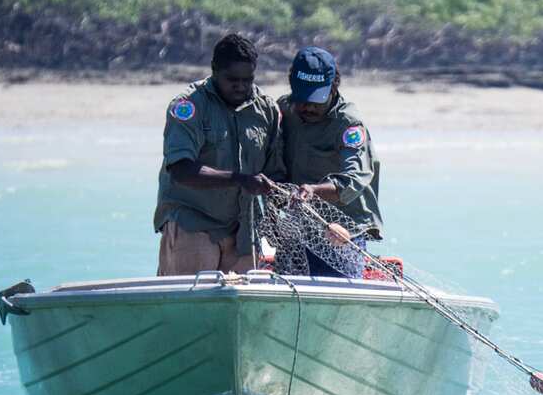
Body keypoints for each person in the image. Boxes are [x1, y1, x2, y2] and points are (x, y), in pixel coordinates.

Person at [153, 33, 282, 276]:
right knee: (188, 307)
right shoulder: (188, 106)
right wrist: (239, 179)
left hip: (244, 233)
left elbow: (275, 172)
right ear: (214, 70)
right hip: (193, 223)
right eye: (232, 79)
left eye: (248, 79)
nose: (241, 87)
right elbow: (181, 170)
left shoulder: (267, 109)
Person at [277, 46, 383, 279]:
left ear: (334, 87)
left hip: (341, 229)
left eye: (317, 100)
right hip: (298, 224)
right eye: (303, 99)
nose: (309, 107)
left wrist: (313, 190)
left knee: (338, 292)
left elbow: (353, 179)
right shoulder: (285, 110)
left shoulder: (349, 124)